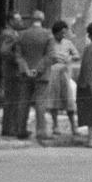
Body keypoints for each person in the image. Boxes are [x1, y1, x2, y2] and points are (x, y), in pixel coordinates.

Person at [15, 10, 57, 139]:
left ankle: (21, 129)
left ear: (31, 20)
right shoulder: (48, 35)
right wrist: (37, 69)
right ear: (42, 19)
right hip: (41, 74)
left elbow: (18, 56)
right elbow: (50, 55)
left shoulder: (21, 35)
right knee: (40, 102)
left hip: (25, 73)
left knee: (23, 101)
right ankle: (41, 131)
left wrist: (26, 69)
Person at [44, 20, 80, 140]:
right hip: (52, 73)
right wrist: (52, 58)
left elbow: (77, 55)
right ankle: (55, 126)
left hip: (65, 73)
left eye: (65, 33)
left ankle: (74, 127)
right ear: (56, 33)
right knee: (54, 100)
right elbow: (44, 56)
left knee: (69, 100)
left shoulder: (68, 43)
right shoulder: (49, 42)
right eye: (61, 33)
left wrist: (69, 58)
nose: (63, 35)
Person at [0, 13, 26, 137]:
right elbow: (4, 51)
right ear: (10, 21)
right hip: (11, 71)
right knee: (12, 99)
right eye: (18, 20)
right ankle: (10, 129)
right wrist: (17, 59)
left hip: (12, 71)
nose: (21, 22)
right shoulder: (9, 34)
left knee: (14, 99)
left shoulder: (14, 33)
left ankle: (11, 127)